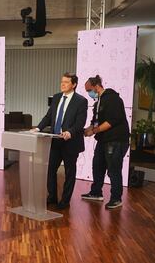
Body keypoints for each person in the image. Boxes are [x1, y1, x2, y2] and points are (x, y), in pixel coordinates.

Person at [32, 72, 88, 209]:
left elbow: (80, 123)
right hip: (55, 140)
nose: (62, 84)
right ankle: (52, 197)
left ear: (74, 85)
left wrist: (70, 132)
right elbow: (48, 116)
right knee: (50, 170)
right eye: (62, 81)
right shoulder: (56, 98)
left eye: (66, 82)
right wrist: (38, 128)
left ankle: (65, 200)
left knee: (70, 172)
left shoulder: (81, 101)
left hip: (70, 142)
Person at [81, 75, 130, 209]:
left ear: (96, 86)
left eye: (89, 90)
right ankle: (96, 192)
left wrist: (94, 131)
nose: (88, 93)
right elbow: (94, 123)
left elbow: (111, 121)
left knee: (113, 169)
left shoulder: (112, 99)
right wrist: (84, 130)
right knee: (97, 165)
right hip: (103, 140)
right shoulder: (98, 103)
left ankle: (116, 198)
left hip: (116, 140)